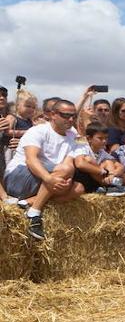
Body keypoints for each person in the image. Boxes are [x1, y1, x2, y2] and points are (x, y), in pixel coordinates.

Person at [3, 99, 84, 239]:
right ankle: (34, 214)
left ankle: (27, 203)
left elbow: (69, 164)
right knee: (64, 171)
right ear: (53, 114)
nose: (70, 119)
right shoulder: (38, 131)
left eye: (74, 116)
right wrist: (49, 179)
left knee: (78, 188)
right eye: (65, 115)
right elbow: (31, 159)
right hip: (18, 177)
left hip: (44, 180)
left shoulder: (72, 136)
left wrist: (62, 182)